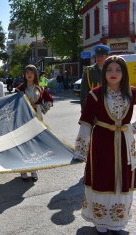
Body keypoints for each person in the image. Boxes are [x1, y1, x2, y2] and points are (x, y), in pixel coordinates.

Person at [73, 56, 136, 235]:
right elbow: (85, 123)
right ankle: (100, 220)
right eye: (109, 70)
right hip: (101, 143)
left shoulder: (131, 93)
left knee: (121, 179)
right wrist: (80, 151)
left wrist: (133, 126)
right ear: (104, 72)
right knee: (102, 177)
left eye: (118, 69)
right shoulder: (95, 94)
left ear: (124, 72)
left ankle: (117, 220)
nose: (113, 73)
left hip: (125, 142)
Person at [15, 64, 53, 182]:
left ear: (35, 74)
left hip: (36, 119)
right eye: (27, 72)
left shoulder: (40, 88)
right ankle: (23, 170)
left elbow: (50, 99)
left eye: (31, 72)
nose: (29, 74)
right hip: (23, 120)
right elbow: (14, 104)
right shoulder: (20, 88)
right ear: (25, 75)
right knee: (24, 144)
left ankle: (34, 170)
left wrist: (42, 108)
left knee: (35, 144)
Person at [80, 45, 111, 110]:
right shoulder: (89, 71)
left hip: (110, 108)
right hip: (95, 108)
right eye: (97, 56)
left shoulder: (113, 70)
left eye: (102, 56)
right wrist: (84, 111)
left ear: (107, 56)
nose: (99, 59)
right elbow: (84, 93)